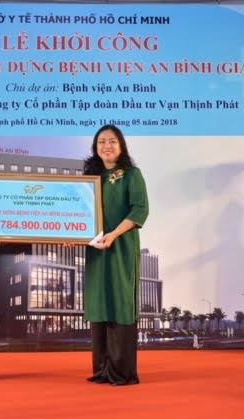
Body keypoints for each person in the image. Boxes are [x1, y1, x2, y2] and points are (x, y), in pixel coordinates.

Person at [83, 124, 149, 386]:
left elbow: (140, 210)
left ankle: (122, 371)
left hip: (120, 247)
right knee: (99, 302)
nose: (106, 146)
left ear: (121, 146)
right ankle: (102, 369)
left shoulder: (132, 174)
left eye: (112, 141)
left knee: (120, 302)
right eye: (101, 142)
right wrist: (70, 235)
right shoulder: (90, 177)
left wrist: (113, 234)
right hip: (95, 249)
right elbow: (78, 214)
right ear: (95, 147)